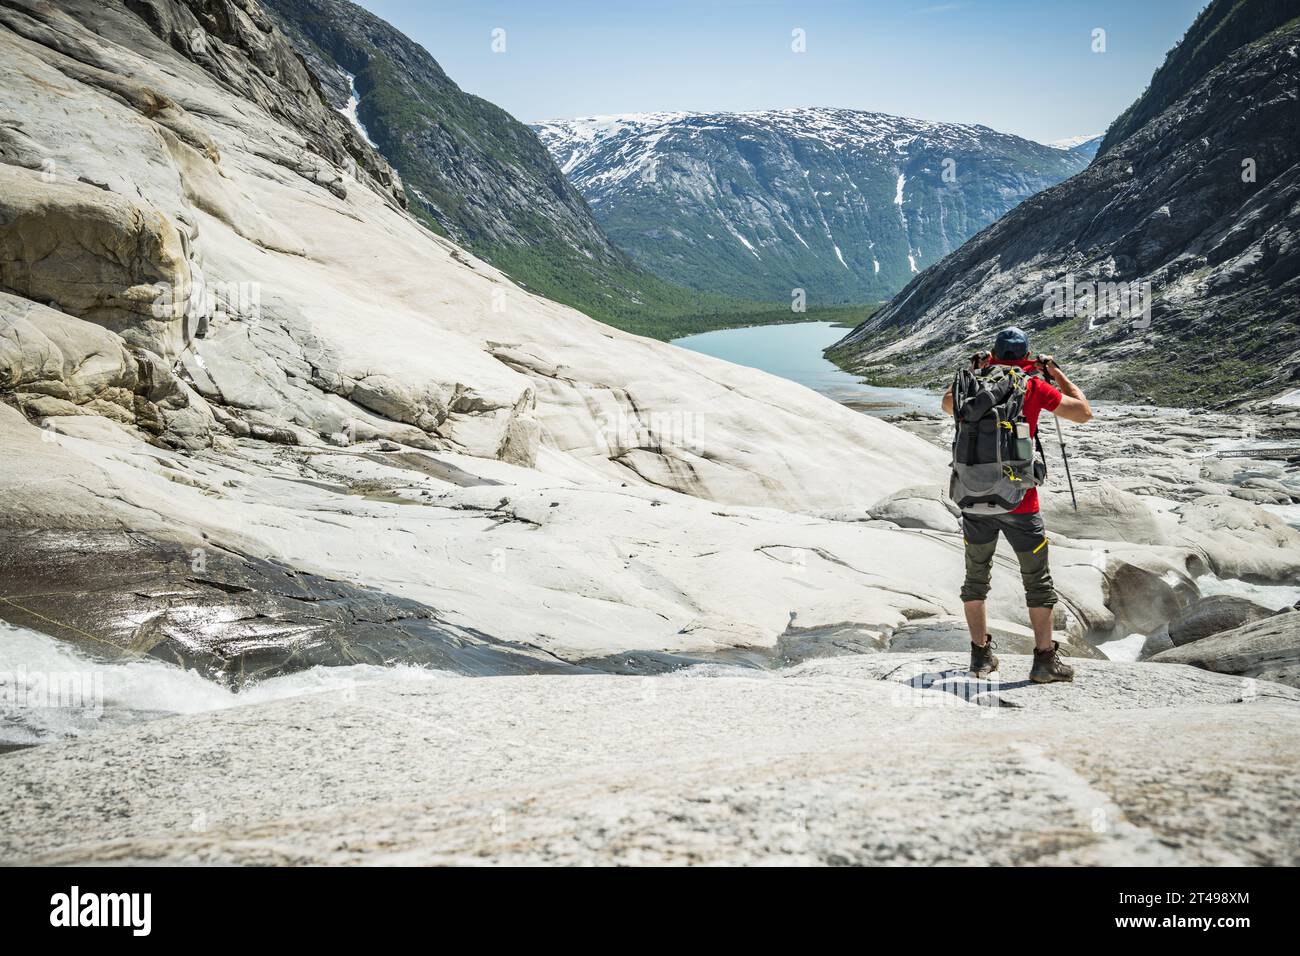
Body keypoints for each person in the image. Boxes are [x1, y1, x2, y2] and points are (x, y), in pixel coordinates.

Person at [940, 327, 1093, 683]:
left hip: (974, 499)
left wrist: (976, 369)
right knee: (1037, 581)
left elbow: (947, 402)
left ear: (992, 355)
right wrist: (1056, 373)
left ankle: (980, 658)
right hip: (1021, 502)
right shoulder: (1034, 386)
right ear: (1027, 358)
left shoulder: (971, 384)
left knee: (975, 581)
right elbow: (1083, 412)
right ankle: (1044, 662)